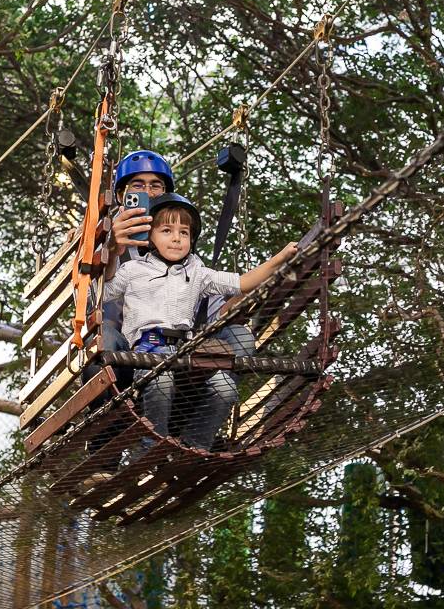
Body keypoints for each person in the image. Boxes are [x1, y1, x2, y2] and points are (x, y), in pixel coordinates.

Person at [102, 191, 297, 453]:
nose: (176, 238)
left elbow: (242, 283)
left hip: (187, 348)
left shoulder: (197, 272)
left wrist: (280, 259)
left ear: (192, 240)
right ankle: (150, 449)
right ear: (149, 237)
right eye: (167, 230)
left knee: (225, 387)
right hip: (149, 346)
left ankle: (195, 447)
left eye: (184, 233)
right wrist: (114, 252)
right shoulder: (134, 270)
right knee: (160, 382)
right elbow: (102, 292)